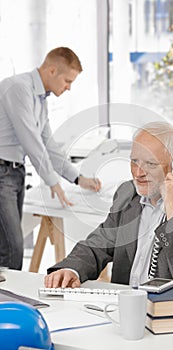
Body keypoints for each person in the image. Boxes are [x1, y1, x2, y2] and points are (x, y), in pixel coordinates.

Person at [45, 121, 173, 288]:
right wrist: (71, 269)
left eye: (150, 164)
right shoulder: (127, 193)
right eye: (134, 161)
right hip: (129, 312)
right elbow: (98, 245)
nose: (138, 173)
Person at [0, 47, 101, 270]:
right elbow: (30, 140)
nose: (68, 88)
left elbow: (48, 145)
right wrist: (52, 181)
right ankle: (8, 302)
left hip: (14, 173)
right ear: (52, 70)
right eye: (67, 81)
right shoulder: (19, 88)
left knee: (7, 247)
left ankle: (8, 300)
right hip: (2, 172)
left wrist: (78, 179)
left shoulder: (40, 100)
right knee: (11, 248)